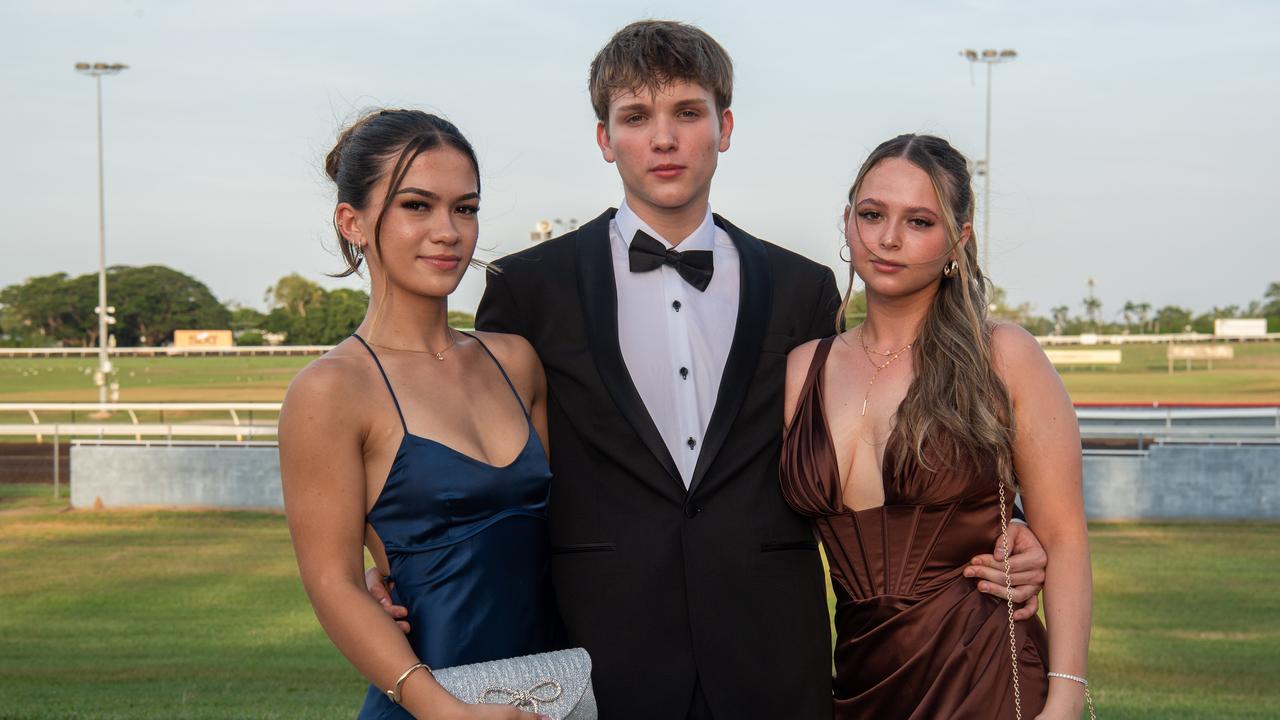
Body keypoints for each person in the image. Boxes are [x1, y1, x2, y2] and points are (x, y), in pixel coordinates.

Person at [370, 21, 1050, 720]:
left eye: (687, 113)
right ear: (605, 138)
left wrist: (1007, 526)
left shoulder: (802, 289)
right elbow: (488, 460)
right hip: (600, 654)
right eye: (636, 116)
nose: (664, 139)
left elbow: (863, 447)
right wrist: (392, 563)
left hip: (775, 657)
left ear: (724, 127)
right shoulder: (526, 288)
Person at [780, 133, 1093, 719]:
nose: (889, 238)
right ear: (848, 223)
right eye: (872, 215)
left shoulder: (1003, 355)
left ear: (959, 240)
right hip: (856, 684)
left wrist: (1066, 697)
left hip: (984, 678)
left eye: (919, 221)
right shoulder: (804, 368)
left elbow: (1066, 536)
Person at [280, 109, 559, 720]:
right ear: (351, 222)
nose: (448, 231)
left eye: (465, 208)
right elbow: (333, 584)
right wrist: (447, 713)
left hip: (547, 694)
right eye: (416, 206)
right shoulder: (330, 390)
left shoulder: (515, 362)